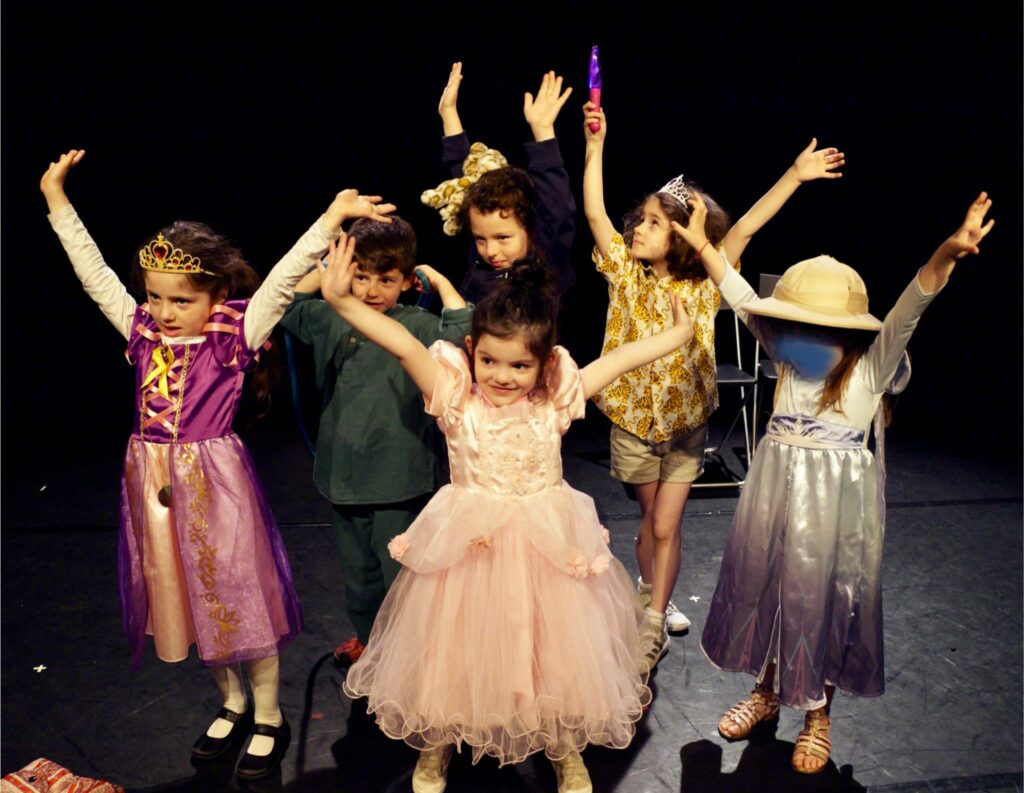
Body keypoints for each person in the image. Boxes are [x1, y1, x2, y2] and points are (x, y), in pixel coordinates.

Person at [40, 148, 390, 780]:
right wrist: (59, 204)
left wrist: (332, 215)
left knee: (237, 596)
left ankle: (267, 714)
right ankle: (229, 703)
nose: (164, 311)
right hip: (150, 482)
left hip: (215, 482)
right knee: (188, 597)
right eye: (156, 297)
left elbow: (284, 277)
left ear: (214, 295)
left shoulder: (234, 335)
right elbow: (94, 277)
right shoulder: (143, 333)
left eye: (179, 300)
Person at [319, 233, 693, 793]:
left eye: (519, 365)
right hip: (469, 548)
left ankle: (563, 745)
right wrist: (344, 303)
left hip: (544, 548)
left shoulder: (553, 404)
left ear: (542, 366)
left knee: (550, 653)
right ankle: (437, 744)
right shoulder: (456, 401)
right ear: (471, 351)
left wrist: (680, 333)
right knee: (451, 648)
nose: (501, 375)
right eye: (489, 360)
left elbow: (618, 360)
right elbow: (402, 344)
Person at [683, 191, 995, 773]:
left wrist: (947, 253)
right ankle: (768, 691)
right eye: (800, 324)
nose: (810, 336)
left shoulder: (872, 366)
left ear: (850, 331)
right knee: (772, 592)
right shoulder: (788, 355)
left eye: (822, 327)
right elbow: (741, 294)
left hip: (834, 512)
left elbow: (915, 300)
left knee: (820, 603)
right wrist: (702, 242)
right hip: (774, 498)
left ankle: (817, 713)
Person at [582, 99, 845, 664]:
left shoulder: (706, 279)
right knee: (651, 521)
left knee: (668, 522)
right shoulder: (625, 273)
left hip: (684, 425)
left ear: (679, 235)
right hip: (631, 421)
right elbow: (597, 214)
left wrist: (794, 176)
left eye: (653, 221)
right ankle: (653, 591)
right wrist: (596, 146)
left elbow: (747, 225)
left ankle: (653, 618)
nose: (637, 226)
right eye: (642, 218)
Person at [279, 216, 472, 667]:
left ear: (406, 281)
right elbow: (283, 301)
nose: (369, 289)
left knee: (401, 575)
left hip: (400, 477)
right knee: (359, 576)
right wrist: (329, 273)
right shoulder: (330, 315)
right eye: (360, 276)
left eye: (385, 279)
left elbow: (462, 332)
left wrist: (440, 282)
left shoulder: (418, 325)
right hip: (344, 475)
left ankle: (410, 655)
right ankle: (370, 639)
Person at [422, 62, 576, 307]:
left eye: (503, 237)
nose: (490, 250)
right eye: (480, 239)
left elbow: (558, 207)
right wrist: (448, 113)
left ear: (532, 228)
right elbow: (463, 176)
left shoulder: (544, 263)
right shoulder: (482, 260)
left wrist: (543, 131)